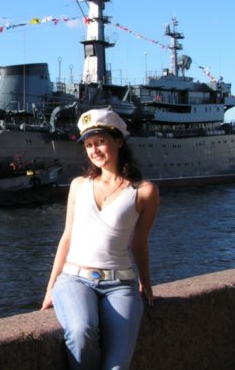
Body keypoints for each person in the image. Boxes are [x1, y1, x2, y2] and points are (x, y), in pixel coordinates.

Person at [41, 108, 159, 369]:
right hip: (74, 279)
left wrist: (146, 283)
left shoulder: (144, 191)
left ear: (119, 141)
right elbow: (67, 237)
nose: (94, 150)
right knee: (81, 331)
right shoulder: (78, 185)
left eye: (100, 142)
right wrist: (50, 288)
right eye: (88, 144)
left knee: (117, 366)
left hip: (120, 283)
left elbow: (139, 243)